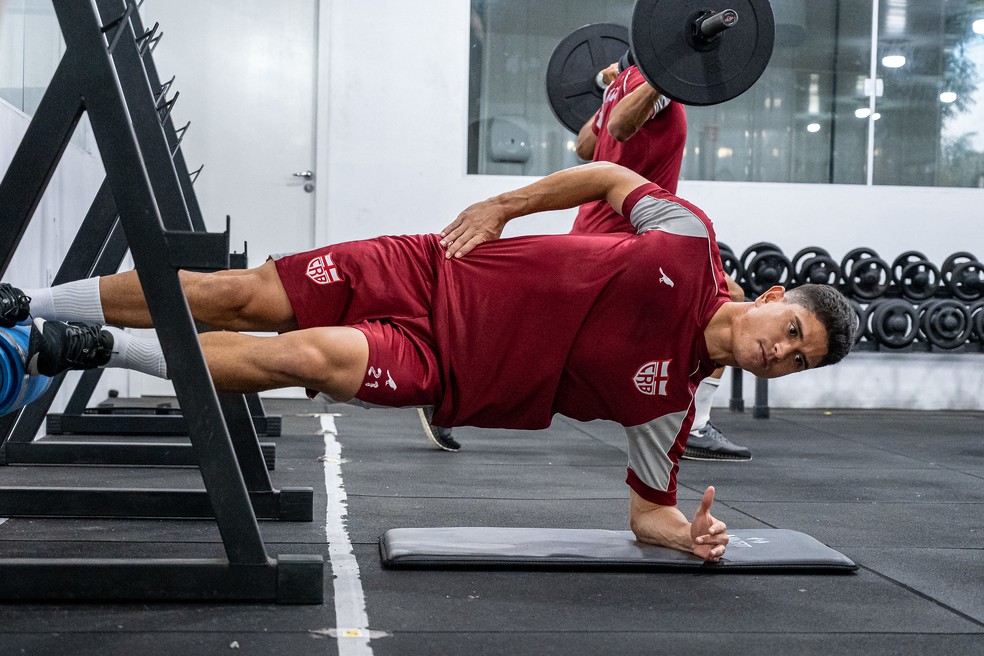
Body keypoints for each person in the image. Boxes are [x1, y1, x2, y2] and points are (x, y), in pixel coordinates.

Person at [4, 162, 856, 562]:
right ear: (775, 295)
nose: (775, 353)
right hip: (432, 265)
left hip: (442, 365)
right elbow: (605, 174)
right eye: (788, 331)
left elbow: (648, 516)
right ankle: (30, 304)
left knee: (307, 358)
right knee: (237, 296)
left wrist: (695, 538)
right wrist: (501, 204)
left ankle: (83, 348)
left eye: (792, 362)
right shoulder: (687, 240)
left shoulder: (669, 407)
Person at [435, 62, 750, 461]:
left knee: (545, 333)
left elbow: (586, 145)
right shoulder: (655, 85)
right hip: (628, 238)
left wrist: (608, 91)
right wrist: (662, 80)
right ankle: (697, 425)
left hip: (595, 229)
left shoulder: (621, 86)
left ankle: (448, 380)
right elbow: (620, 127)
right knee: (727, 302)